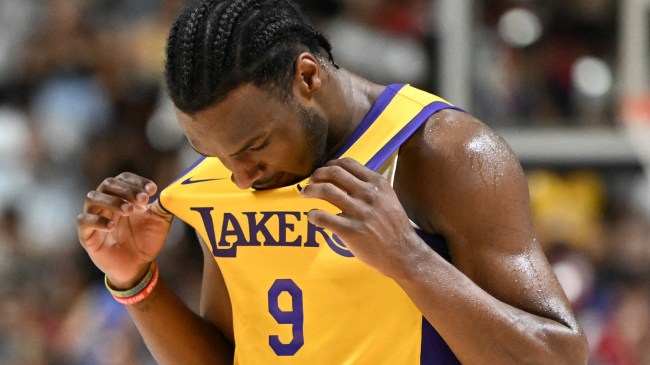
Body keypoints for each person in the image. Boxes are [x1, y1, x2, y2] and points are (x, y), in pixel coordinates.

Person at [76, 0, 588, 364]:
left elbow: (557, 357)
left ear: (306, 77)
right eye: (210, 153)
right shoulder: (231, 178)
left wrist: (410, 260)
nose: (240, 176)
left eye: (253, 146)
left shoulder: (444, 154)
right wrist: (135, 282)